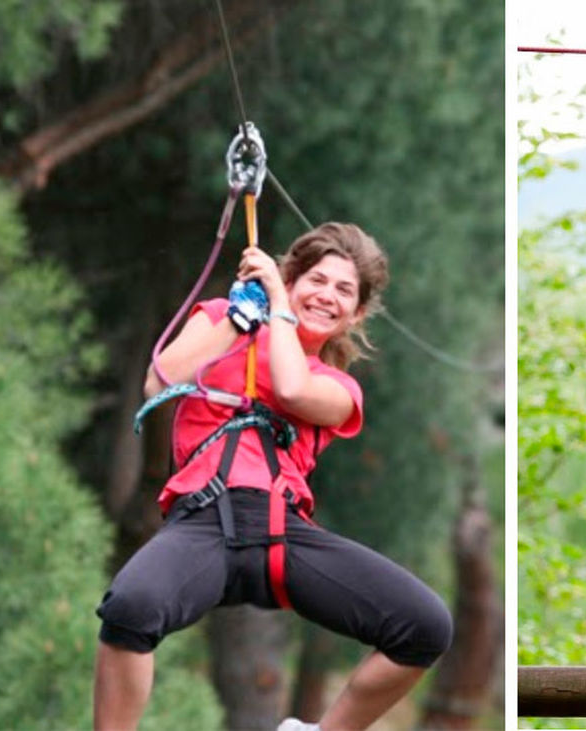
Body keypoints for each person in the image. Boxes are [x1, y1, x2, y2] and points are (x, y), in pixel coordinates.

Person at [93, 222, 453, 730]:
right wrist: (240, 320)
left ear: (355, 315)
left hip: (281, 536)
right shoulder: (222, 320)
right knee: (129, 609)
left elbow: (290, 387)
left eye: (343, 291)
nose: (327, 296)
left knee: (425, 627)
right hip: (204, 523)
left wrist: (278, 304)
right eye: (317, 280)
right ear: (293, 279)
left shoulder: (338, 388)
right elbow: (160, 381)